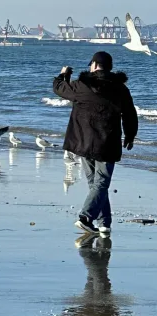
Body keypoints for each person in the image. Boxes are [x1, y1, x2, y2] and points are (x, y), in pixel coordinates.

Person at [53, 50, 137, 236]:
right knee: (100, 184)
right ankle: (101, 222)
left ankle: (89, 218)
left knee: (97, 183)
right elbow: (130, 113)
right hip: (107, 141)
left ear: (94, 65)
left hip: (84, 141)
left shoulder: (82, 85)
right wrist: (130, 134)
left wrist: (64, 74)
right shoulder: (120, 88)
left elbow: (60, 89)